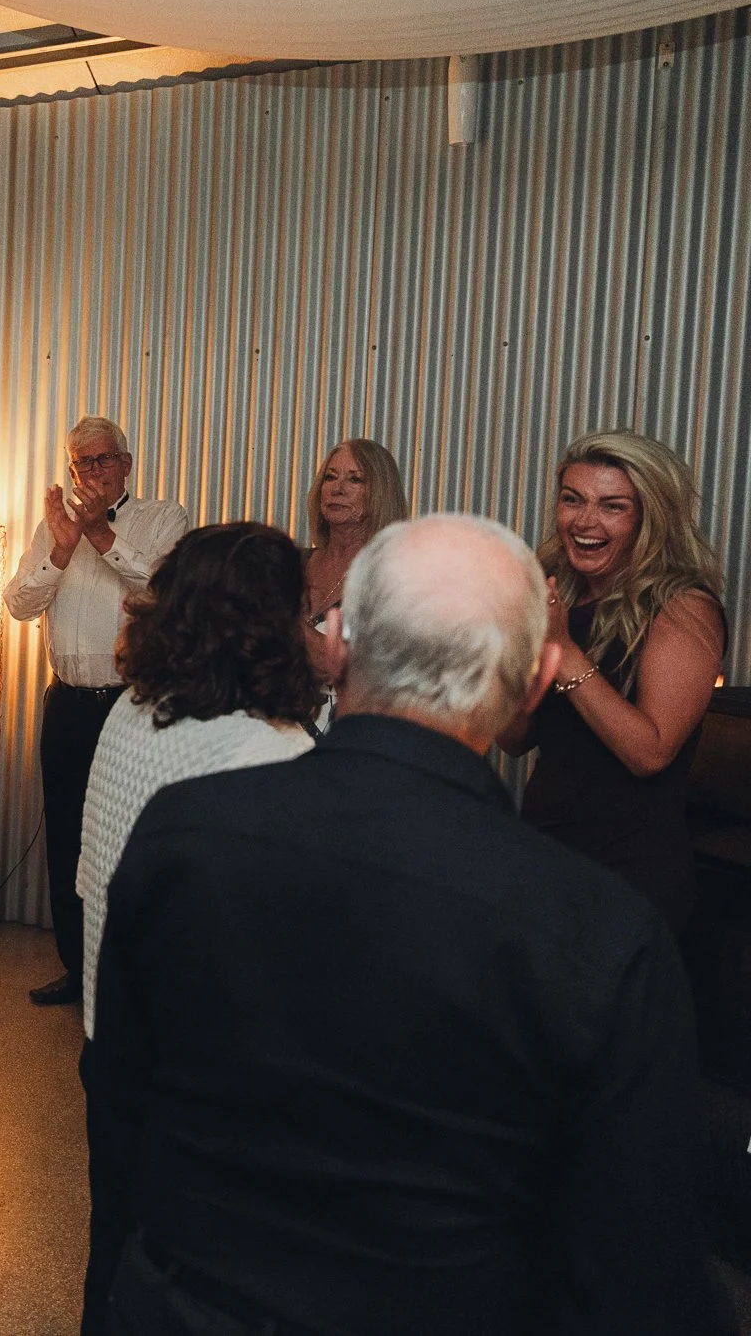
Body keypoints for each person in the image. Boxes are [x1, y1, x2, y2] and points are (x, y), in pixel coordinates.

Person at [96, 514, 732, 1336]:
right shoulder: (599, 935)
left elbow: (122, 1111)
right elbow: (637, 1273)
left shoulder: (185, 830)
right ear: (537, 680)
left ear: (341, 646)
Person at [72, 522, 321, 1336]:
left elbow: (89, 881)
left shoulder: (132, 711)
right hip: (205, 1070)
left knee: (113, 1250)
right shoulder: (271, 752)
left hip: (112, 1040)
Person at [501, 431, 728, 934]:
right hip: (544, 852)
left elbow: (649, 753)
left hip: (628, 873)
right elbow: (514, 740)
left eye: (613, 506)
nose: (584, 521)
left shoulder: (682, 607)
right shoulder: (559, 593)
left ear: (650, 517)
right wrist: (513, 653)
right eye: (572, 499)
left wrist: (563, 651)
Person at [2, 415, 188, 1006]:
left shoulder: (164, 518)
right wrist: (59, 551)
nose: (90, 473)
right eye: (80, 463)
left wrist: (101, 538)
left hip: (132, 705)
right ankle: (78, 970)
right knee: (67, 838)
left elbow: (164, 590)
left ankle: (127, 976)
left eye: (102, 460)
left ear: (126, 465)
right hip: (68, 704)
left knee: (129, 840)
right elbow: (18, 605)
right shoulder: (54, 527)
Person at [301, 439, 407, 695]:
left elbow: (344, 667)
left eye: (354, 480)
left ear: (381, 493)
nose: (337, 489)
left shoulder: (393, 577)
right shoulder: (293, 562)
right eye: (330, 477)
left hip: (351, 727)